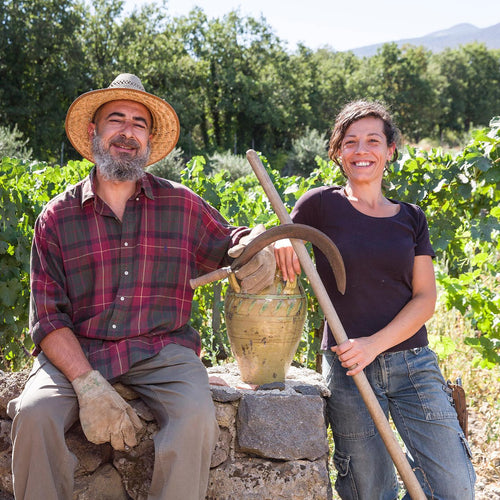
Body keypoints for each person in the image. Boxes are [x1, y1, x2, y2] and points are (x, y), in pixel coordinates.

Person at [7, 73, 275, 500]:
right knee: (35, 415)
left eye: (139, 123)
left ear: (149, 141)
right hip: (79, 349)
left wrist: (257, 243)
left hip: (161, 350)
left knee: (195, 417)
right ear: (94, 132)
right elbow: (47, 317)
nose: (127, 132)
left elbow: (231, 244)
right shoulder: (56, 217)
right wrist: (88, 384)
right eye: (117, 120)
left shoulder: (181, 203)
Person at [274, 100, 476, 499]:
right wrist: (282, 234)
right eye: (350, 142)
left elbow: (424, 298)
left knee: (453, 485)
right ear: (337, 152)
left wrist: (374, 345)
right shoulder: (319, 204)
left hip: (412, 364)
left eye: (372, 140)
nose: (361, 150)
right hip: (349, 369)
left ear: (389, 151)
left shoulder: (411, 217)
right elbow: (282, 235)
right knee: (370, 490)